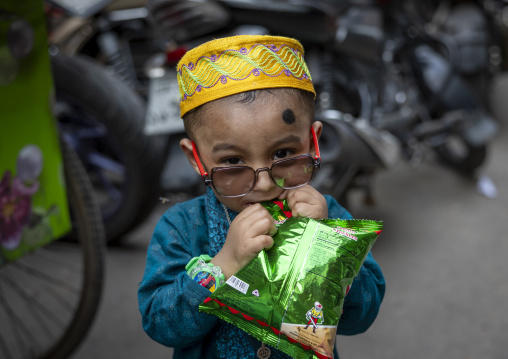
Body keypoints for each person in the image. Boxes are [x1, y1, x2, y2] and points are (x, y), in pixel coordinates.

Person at [138, 35, 385, 359]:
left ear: (312, 142)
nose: (266, 183)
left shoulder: (328, 217)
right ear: (194, 158)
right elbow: (161, 325)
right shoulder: (182, 228)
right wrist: (222, 266)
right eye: (232, 162)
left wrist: (325, 245)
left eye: (283, 152)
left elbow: (360, 318)